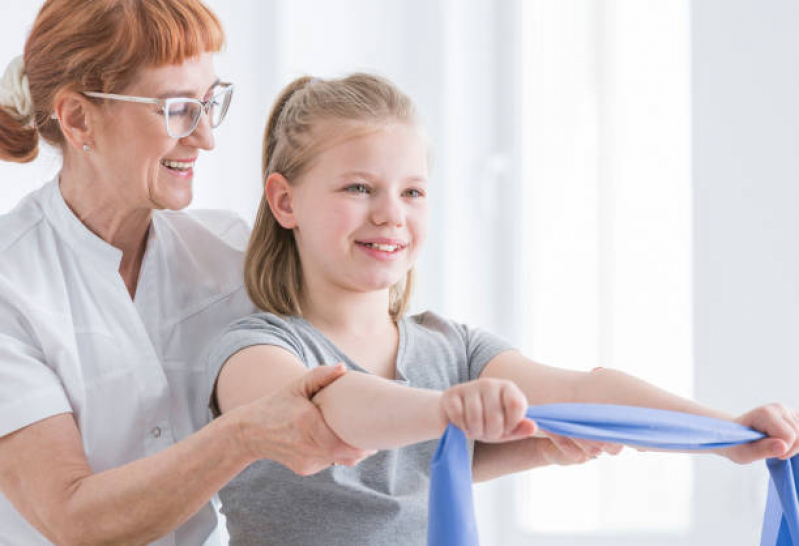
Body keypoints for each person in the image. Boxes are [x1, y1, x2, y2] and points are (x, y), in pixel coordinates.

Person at [208, 72, 799, 545]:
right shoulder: (253, 350)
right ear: (286, 201)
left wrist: (724, 433)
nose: (391, 214)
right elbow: (329, 410)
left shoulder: (451, 348)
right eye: (359, 188)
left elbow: (581, 390)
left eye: (412, 191)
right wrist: (452, 410)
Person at [0, 2, 373, 545]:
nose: (205, 139)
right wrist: (242, 435)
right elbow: (74, 519)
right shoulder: (10, 282)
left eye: (208, 103)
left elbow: (346, 403)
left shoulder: (227, 254)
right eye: (176, 108)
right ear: (79, 118)